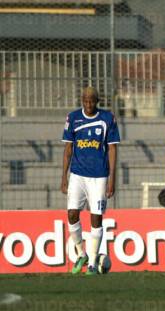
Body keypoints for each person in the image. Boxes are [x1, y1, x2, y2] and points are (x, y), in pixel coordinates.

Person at [61, 86, 119, 275]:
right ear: (81, 100)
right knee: (71, 214)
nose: (88, 104)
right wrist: (64, 176)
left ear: (97, 101)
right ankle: (81, 254)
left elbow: (112, 149)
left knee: (96, 217)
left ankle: (93, 262)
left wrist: (112, 179)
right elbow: (68, 148)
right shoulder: (73, 118)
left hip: (99, 176)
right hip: (77, 174)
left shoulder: (107, 119)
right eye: (85, 101)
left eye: (92, 101)